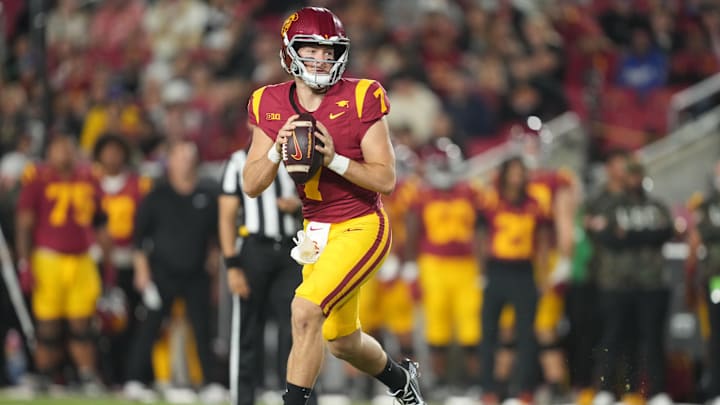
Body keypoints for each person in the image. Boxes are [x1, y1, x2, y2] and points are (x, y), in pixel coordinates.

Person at [241, 7, 425, 405]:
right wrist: (276, 148)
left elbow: (386, 180)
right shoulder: (267, 102)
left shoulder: (363, 95)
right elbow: (252, 185)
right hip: (316, 232)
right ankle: (401, 379)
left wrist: (334, 159)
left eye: (330, 51)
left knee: (304, 310)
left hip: (361, 224)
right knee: (341, 340)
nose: (322, 59)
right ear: (290, 53)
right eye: (312, 50)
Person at [123, 140, 225, 404]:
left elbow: (215, 237)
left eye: (189, 156)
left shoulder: (206, 196)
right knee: (152, 326)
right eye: (179, 156)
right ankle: (136, 379)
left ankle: (210, 382)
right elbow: (139, 239)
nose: (185, 162)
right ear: (170, 162)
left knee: (202, 328)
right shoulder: (156, 196)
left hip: (196, 273)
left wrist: (214, 263)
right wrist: (142, 272)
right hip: (162, 272)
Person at [218, 148, 315, 405]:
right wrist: (232, 265)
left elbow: (321, 203)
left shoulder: (299, 153)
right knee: (247, 330)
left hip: (291, 249)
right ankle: (244, 400)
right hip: (254, 249)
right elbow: (226, 215)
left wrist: (298, 206)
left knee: (299, 326)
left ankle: (300, 399)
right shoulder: (238, 160)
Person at [15, 135, 108, 394]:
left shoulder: (89, 178)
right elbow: (25, 224)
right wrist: (24, 262)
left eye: (68, 147)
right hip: (48, 258)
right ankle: (45, 374)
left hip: (82, 257)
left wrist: (107, 262)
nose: (64, 153)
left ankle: (88, 375)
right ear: (49, 152)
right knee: (48, 324)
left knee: (83, 323)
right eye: (58, 147)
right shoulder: (38, 179)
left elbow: (100, 222)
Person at [588, 161, 674, 405]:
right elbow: (605, 237)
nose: (634, 181)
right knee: (612, 337)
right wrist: (644, 237)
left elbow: (665, 232)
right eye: (630, 176)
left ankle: (653, 391)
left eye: (638, 175)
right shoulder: (610, 205)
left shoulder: (655, 205)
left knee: (652, 338)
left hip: (651, 282)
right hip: (617, 282)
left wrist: (630, 236)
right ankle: (605, 388)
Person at [404, 139, 483, 400]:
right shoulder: (421, 194)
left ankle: (472, 383)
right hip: (433, 263)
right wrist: (411, 265)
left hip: (466, 264)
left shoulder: (471, 191)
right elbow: (414, 230)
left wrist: (483, 267)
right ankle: (438, 382)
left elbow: (482, 229)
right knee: (437, 327)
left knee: (471, 327)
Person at [477, 156, 550, 404]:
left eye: (521, 171)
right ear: (504, 174)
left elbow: (542, 240)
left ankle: (525, 390)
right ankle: (489, 390)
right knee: (489, 333)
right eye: (513, 171)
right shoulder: (491, 200)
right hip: (497, 270)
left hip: (523, 270)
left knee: (526, 335)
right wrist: (481, 271)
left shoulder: (534, 203)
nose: (517, 176)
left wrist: (543, 275)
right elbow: (480, 235)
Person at [92, 133, 152, 386]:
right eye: (107, 151)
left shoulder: (139, 185)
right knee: (96, 322)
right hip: (96, 259)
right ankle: (98, 374)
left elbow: (146, 224)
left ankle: (128, 373)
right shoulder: (90, 183)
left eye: (117, 151)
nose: (112, 157)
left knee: (127, 321)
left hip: (128, 259)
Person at [685, 160, 720, 405]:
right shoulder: (706, 206)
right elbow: (695, 241)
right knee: (717, 331)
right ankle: (716, 388)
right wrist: (690, 277)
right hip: (718, 278)